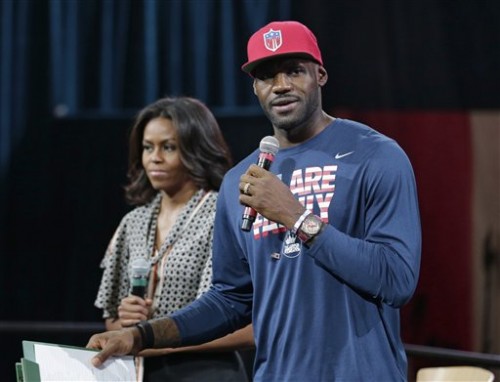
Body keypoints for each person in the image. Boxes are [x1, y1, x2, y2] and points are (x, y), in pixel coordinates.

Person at [87, 21, 421, 381]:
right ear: (255, 88)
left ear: (320, 75)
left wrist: (295, 216)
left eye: (294, 71)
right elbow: (229, 300)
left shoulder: (374, 155)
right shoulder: (240, 181)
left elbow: (396, 279)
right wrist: (139, 336)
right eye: (266, 76)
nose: (281, 86)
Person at [93, 96, 254, 382]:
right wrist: (127, 320)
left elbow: (250, 326)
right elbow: (112, 321)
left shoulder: (223, 212)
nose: (154, 158)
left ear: (196, 150)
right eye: (147, 147)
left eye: (168, 147)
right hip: (141, 373)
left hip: (208, 373)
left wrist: (152, 338)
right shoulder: (133, 223)